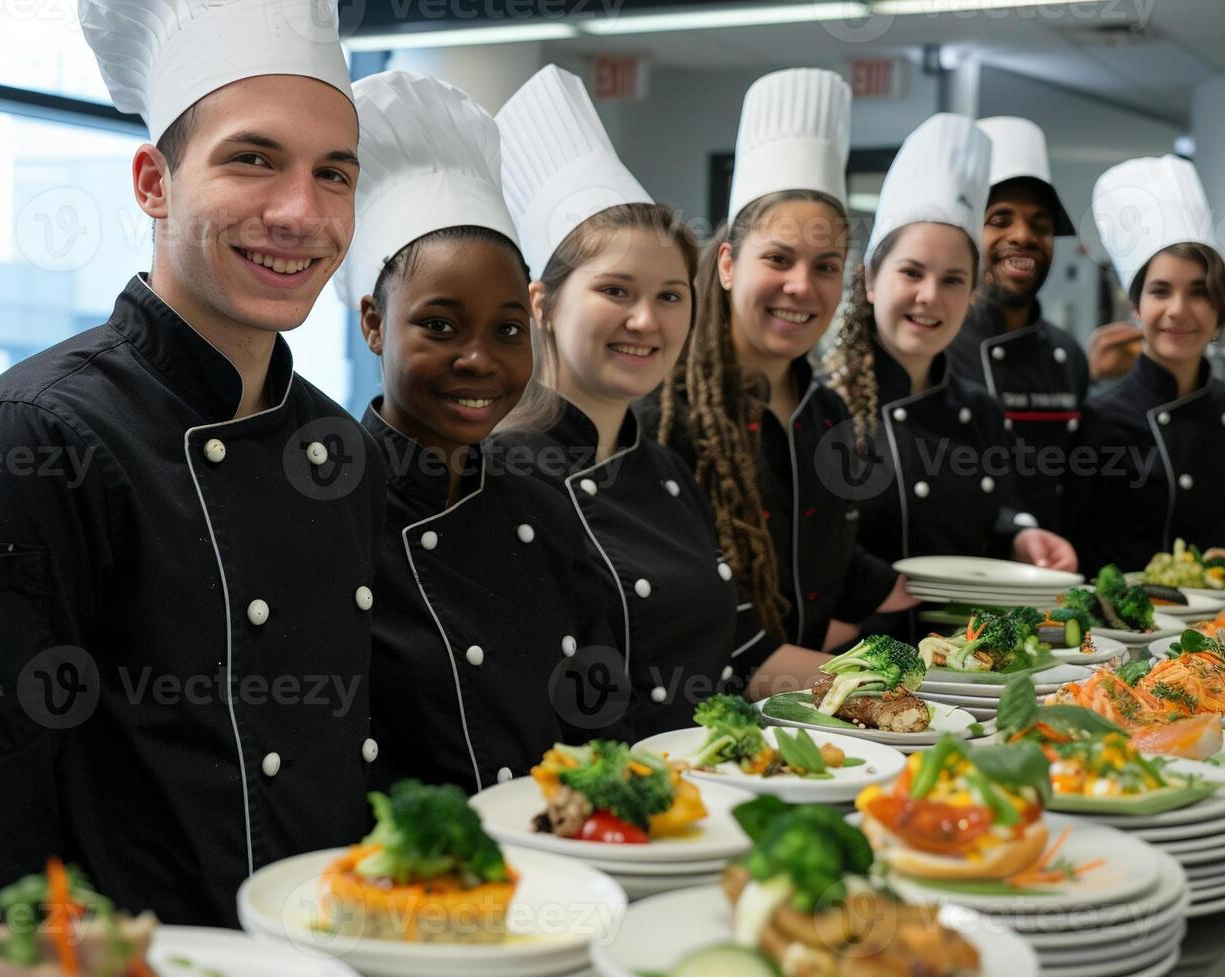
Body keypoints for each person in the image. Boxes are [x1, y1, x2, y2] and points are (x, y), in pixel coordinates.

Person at [0, 0, 383, 948]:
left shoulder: (338, 447)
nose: (300, 212)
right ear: (153, 182)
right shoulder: (32, 436)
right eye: (253, 159)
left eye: (332, 174)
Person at [338, 70, 621, 794]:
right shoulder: (325, 509)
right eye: (439, 326)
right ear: (373, 322)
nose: (479, 360)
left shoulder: (546, 503)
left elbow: (591, 719)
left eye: (506, 330)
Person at [490, 65, 741, 736]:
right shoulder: (498, 474)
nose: (646, 321)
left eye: (669, 295)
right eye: (616, 291)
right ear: (541, 303)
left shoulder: (665, 469)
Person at [649, 68, 915, 680]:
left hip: (805, 726)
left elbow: (832, 572)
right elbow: (704, 622)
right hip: (699, 730)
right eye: (777, 258)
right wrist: (869, 691)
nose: (802, 286)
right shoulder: (667, 414)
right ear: (726, 264)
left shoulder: (828, 415)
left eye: (826, 265)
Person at [825, 114, 1077, 623]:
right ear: (871, 280)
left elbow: (989, 517)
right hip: (860, 669)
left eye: (952, 280)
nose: (929, 297)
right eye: (911, 273)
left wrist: (1020, 536)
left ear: (971, 293)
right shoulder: (824, 404)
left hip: (969, 664)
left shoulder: (980, 411)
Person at [1071, 155, 1225, 573]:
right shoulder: (1101, 418)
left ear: (1220, 305)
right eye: (1160, 291)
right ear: (1136, 306)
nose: (1178, 310)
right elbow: (1078, 546)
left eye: (1198, 292)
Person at [947, 117, 1088, 536]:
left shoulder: (1069, 357)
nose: (1023, 236)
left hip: (1052, 577)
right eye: (1001, 219)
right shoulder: (937, 346)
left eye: (1040, 225)